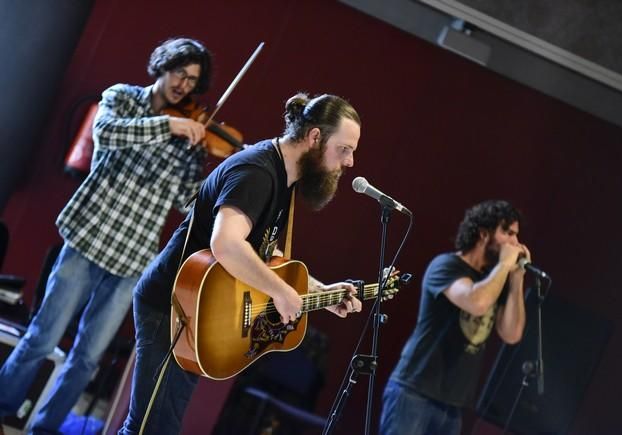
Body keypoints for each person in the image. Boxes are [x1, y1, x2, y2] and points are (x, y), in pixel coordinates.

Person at [0, 37, 213, 434]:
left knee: (87, 359)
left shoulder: (190, 138)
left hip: (134, 258)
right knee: (42, 338)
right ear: (162, 65)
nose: (183, 85)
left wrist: (217, 176)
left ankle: (43, 429)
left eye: (192, 80)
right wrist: (167, 124)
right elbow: (108, 134)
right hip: (89, 238)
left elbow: (186, 201)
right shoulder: (123, 98)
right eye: (179, 73)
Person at [118, 92, 364, 435]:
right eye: (345, 149)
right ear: (314, 137)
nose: (350, 162)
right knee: (150, 428)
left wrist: (321, 291)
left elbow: (265, 259)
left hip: (199, 312)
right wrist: (280, 291)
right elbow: (227, 244)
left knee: (155, 427)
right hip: (173, 306)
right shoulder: (257, 172)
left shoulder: (285, 179)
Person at [380, 200, 530, 435]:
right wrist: (503, 265)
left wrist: (517, 278)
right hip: (415, 393)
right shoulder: (446, 265)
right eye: (508, 233)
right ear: (483, 234)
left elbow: (511, 334)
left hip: (453, 406)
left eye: (516, 235)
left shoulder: (496, 281)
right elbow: (476, 302)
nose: (515, 243)